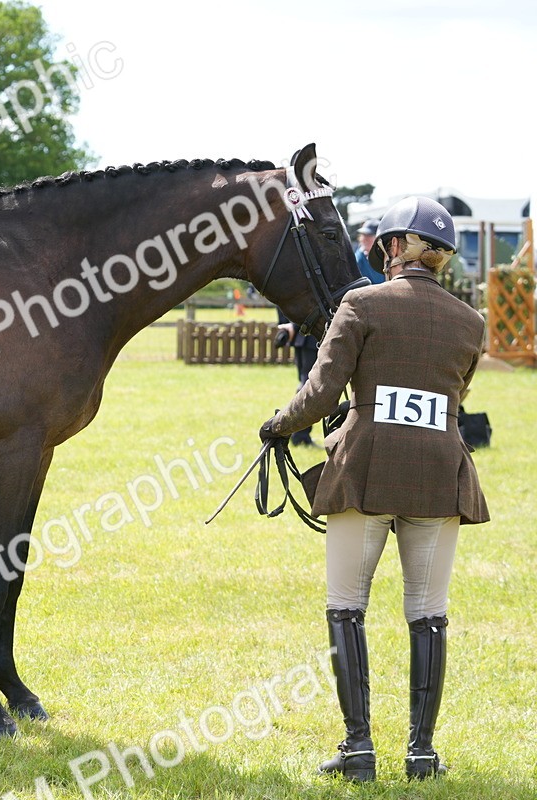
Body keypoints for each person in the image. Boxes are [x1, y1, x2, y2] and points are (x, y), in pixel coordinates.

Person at [259, 196, 488, 782]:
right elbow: (454, 395)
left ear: (394, 246)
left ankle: (359, 748)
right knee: (429, 612)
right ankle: (421, 753)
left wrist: (278, 425)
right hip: (439, 473)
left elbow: (321, 390)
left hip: (364, 469)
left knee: (346, 605)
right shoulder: (471, 322)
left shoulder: (361, 303)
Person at [275, 309, 320, 446]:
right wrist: (290, 325)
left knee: (305, 385)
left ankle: (299, 433)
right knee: (308, 387)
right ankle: (299, 435)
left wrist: (288, 325)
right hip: (311, 337)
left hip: (302, 337)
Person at [354, 219, 386, 285]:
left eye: (369, 235)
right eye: (363, 235)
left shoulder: (386, 258)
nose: (365, 239)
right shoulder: (357, 259)